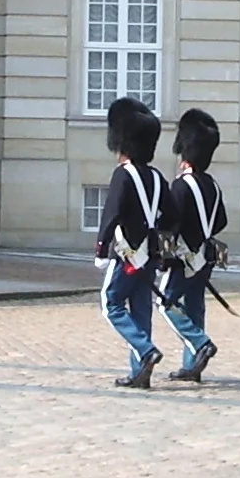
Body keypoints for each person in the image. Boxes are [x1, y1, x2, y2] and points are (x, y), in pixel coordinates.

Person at [94, 97, 168, 389]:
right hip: (149, 254)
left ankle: (145, 350)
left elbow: (111, 213)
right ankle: (140, 372)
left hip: (126, 254)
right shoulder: (157, 177)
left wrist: (101, 248)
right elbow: (172, 215)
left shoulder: (122, 175)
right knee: (141, 310)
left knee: (110, 303)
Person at [162, 109, 226, 384]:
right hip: (205, 257)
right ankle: (192, 365)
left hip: (184, 257)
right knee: (195, 307)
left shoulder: (181, 185)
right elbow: (221, 219)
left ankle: (199, 343)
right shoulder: (212, 184)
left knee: (166, 303)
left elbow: (171, 221)